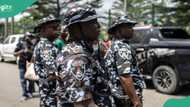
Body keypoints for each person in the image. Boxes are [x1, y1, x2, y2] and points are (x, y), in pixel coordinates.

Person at [56, 6, 113, 107]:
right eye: (93, 22)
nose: (98, 26)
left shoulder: (85, 50)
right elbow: (83, 103)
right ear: (76, 28)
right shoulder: (76, 58)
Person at [104, 16, 146, 107]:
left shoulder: (115, 45)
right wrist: (136, 101)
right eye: (128, 27)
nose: (132, 29)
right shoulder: (122, 48)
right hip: (125, 98)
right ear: (119, 31)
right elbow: (125, 76)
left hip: (119, 95)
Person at [33, 16, 61, 107]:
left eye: (58, 27)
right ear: (43, 30)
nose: (58, 29)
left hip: (48, 94)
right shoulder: (46, 47)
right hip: (52, 95)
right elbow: (52, 74)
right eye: (54, 27)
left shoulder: (46, 44)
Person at [14, 32, 35, 101]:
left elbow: (35, 54)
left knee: (31, 79)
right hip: (22, 64)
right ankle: (24, 94)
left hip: (30, 65)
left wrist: (29, 51)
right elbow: (14, 53)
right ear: (25, 36)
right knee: (23, 80)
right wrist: (22, 51)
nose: (29, 38)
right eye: (28, 36)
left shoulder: (32, 45)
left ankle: (30, 92)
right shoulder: (20, 44)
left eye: (30, 37)